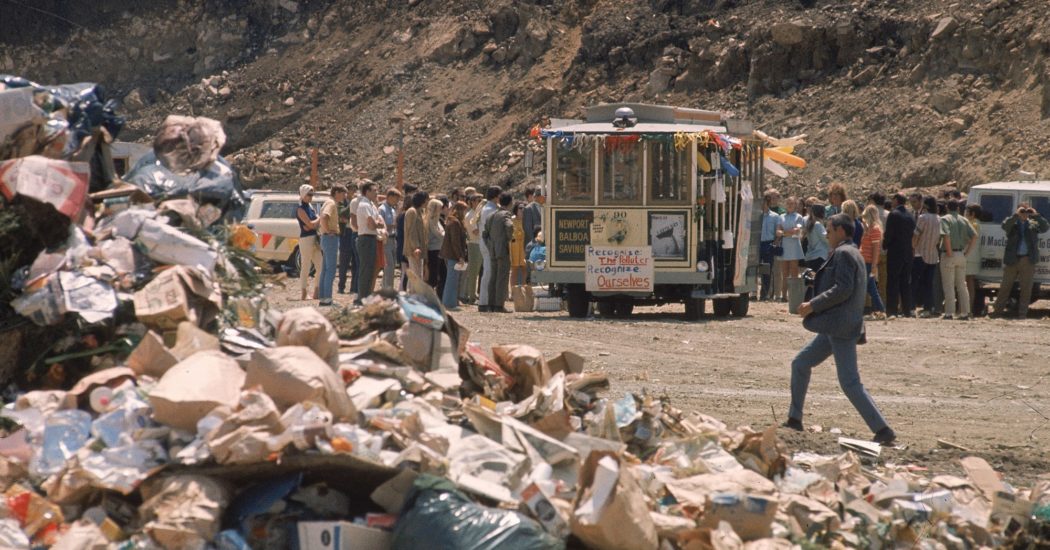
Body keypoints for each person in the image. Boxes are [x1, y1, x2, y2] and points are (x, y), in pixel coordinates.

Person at [783, 213, 896, 445]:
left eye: (830, 230)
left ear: (841, 231)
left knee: (850, 382)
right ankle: (794, 418)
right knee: (801, 364)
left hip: (840, 326)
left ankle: (883, 429)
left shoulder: (845, 254)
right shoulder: (851, 252)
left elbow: (842, 289)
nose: (827, 234)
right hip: (836, 325)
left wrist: (813, 304)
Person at [992, 203, 1050, 318]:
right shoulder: (1013, 224)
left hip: (1027, 259)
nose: (1024, 214)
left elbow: (1045, 227)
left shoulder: (1033, 225)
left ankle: (1022, 313)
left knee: (1026, 288)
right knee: (1005, 287)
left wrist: (1035, 215)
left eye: (1025, 211)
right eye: (1022, 211)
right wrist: (1015, 216)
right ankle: (997, 312)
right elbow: (1004, 226)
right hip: (1012, 259)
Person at [939, 199, 976, 320]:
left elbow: (946, 235)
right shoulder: (964, 219)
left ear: (947, 207)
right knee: (962, 285)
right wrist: (967, 252)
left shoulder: (945, 219)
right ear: (958, 209)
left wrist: (949, 252)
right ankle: (965, 312)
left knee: (949, 285)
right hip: (961, 254)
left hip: (949, 254)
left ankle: (949, 312)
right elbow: (974, 236)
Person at [883, 193, 916, 318]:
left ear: (896, 200)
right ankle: (907, 309)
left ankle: (892, 309)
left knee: (892, 281)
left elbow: (889, 233)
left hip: (895, 252)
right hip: (908, 252)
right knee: (905, 282)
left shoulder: (894, 214)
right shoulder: (910, 215)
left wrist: (885, 244)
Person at [483, 192, 514, 313]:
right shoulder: (505, 214)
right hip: (502, 250)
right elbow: (509, 226)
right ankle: (499, 305)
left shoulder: (491, 215)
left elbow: (484, 234)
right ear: (510, 203)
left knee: (493, 277)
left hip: (493, 250)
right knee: (502, 277)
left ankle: (491, 304)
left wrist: (490, 245)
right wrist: (508, 238)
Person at [317, 184, 347, 306]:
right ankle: (327, 298)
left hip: (326, 238)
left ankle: (323, 297)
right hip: (330, 238)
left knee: (325, 269)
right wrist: (328, 231)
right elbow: (324, 217)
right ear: (337, 192)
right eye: (343, 193)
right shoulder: (331, 203)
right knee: (331, 269)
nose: (345, 196)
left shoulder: (328, 202)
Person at [355, 182, 384, 302]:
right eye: (374, 190)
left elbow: (378, 221)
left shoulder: (371, 205)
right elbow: (372, 224)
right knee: (366, 270)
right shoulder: (364, 205)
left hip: (372, 239)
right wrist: (378, 224)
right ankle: (362, 299)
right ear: (367, 191)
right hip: (366, 238)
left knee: (371, 269)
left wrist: (377, 223)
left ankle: (366, 297)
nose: (377, 192)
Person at [912, 196, 941, 317]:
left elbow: (916, 235)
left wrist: (912, 247)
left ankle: (911, 307)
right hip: (933, 255)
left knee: (915, 281)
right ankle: (929, 307)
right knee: (928, 283)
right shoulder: (939, 219)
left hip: (920, 253)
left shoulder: (923, 218)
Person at [440, 201, 469, 310]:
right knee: (452, 280)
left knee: (453, 279)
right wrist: (460, 256)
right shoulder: (455, 223)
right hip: (453, 255)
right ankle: (448, 303)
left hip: (452, 255)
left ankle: (451, 302)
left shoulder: (453, 221)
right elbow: (455, 242)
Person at [860, 205, 887, 320]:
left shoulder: (875, 229)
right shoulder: (870, 229)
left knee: (871, 288)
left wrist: (874, 266)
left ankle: (880, 310)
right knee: (870, 288)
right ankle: (880, 310)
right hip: (865, 261)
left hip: (868, 262)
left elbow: (876, 249)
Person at [296, 184, 322, 301]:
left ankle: (317, 291)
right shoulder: (300, 209)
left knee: (320, 265)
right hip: (306, 239)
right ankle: (303, 292)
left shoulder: (310, 207)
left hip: (314, 238)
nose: (311, 197)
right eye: (308, 194)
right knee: (305, 266)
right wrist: (317, 220)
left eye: (312, 194)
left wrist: (314, 223)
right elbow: (310, 225)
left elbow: (313, 225)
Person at [776, 196, 804, 301]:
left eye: (791, 203)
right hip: (785, 246)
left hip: (794, 246)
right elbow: (777, 232)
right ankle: (784, 295)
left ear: (795, 205)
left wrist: (783, 233)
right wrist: (787, 232)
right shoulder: (781, 216)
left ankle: (794, 295)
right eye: (788, 203)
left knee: (794, 272)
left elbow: (797, 230)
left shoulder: (798, 217)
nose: (789, 205)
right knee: (785, 272)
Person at [478, 185, 501, 311]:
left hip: (487, 243)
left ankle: (486, 301)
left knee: (489, 272)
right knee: (488, 272)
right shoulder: (489, 210)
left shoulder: (488, 208)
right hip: (488, 244)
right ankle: (484, 301)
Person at [460, 192, 483, 304]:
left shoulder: (477, 214)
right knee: (473, 272)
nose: (480, 203)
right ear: (472, 202)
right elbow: (475, 231)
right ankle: (470, 296)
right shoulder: (471, 215)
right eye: (478, 201)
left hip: (478, 244)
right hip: (474, 244)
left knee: (475, 271)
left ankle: (470, 294)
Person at [338, 183, 360, 295]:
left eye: (354, 190)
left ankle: (354, 287)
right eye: (351, 190)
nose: (352, 192)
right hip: (346, 234)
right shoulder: (344, 202)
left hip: (355, 232)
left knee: (356, 262)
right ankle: (341, 286)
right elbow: (341, 216)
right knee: (344, 263)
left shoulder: (358, 203)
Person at [759, 190, 782, 300]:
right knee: (755, 269)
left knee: (767, 270)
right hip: (757, 243)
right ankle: (754, 293)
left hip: (768, 244)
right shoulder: (756, 215)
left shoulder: (775, 216)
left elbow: (778, 231)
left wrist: (776, 242)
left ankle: (765, 294)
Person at [403, 191, 429, 284]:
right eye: (426, 200)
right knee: (416, 277)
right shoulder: (412, 211)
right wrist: (416, 247)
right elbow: (411, 231)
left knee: (417, 276)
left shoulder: (419, 212)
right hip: (414, 250)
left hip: (419, 249)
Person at [378, 188, 402, 290]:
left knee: (391, 266)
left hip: (393, 239)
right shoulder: (382, 209)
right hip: (386, 240)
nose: (397, 201)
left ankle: (385, 288)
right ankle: (388, 289)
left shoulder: (392, 209)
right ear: (390, 197)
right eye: (396, 198)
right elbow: (380, 226)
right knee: (389, 266)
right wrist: (393, 225)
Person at [964, 204, 983, 316]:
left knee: (967, 283)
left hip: (969, 256)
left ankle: (968, 309)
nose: (965, 214)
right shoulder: (975, 223)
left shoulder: (974, 224)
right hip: (972, 256)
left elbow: (969, 238)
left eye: (967, 212)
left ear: (973, 213)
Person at [425, 198, 446, 294]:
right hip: (433, 250)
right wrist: (443, 234)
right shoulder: (431, 220)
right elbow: (439, 235)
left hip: (440, 249)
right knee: (433, 275)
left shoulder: (438, 221)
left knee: (442, 273)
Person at [803, 204, 829, 271]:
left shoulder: (810, 223)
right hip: (819, 256)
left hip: (811, 256)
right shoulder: (817, 224)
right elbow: (826, 239)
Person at [510, 202, 527, 288]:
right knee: (514, 270)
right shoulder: (511, 220)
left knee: (525, 269)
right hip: (515, 247)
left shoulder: (527, 220)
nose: (522, 210)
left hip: (524, 247)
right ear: (516, 209)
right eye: (520, 208)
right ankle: (512, 291)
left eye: (524, 208)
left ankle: (525, 289)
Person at [523, 187, 543, 252]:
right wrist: (536, 243)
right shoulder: (528, 208)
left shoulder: (544, 207)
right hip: (533, 246)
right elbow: (528, 229)